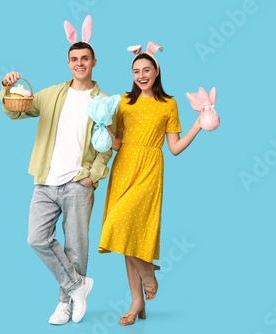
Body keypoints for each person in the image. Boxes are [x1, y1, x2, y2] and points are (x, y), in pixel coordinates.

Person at [0, 16, 116, 325]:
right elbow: (17, 111)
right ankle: (78, 286)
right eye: (74, 59)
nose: (80, 63)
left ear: (94, 61)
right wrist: (7, 87)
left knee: (75, 248)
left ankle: (65, 304)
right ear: (68, 63)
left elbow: (107, 144)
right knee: (36, 238)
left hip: (79, 183)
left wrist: (94, 174)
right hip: (45, 180)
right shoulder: (51, 94)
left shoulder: (103, 102)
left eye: (85, 59)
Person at [99, 42, 202, 326]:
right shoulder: (122, 102)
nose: (141, 75)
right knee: (123, 232)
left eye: (146, 70)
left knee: (126, 226)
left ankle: (147, 276)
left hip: (150, 170)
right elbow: (117, 144)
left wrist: (197, 125)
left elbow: (176, 147)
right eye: (136, 71)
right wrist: (103, 126)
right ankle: (138, 298)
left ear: (157, 72)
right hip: (123, 169)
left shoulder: (169, 104)